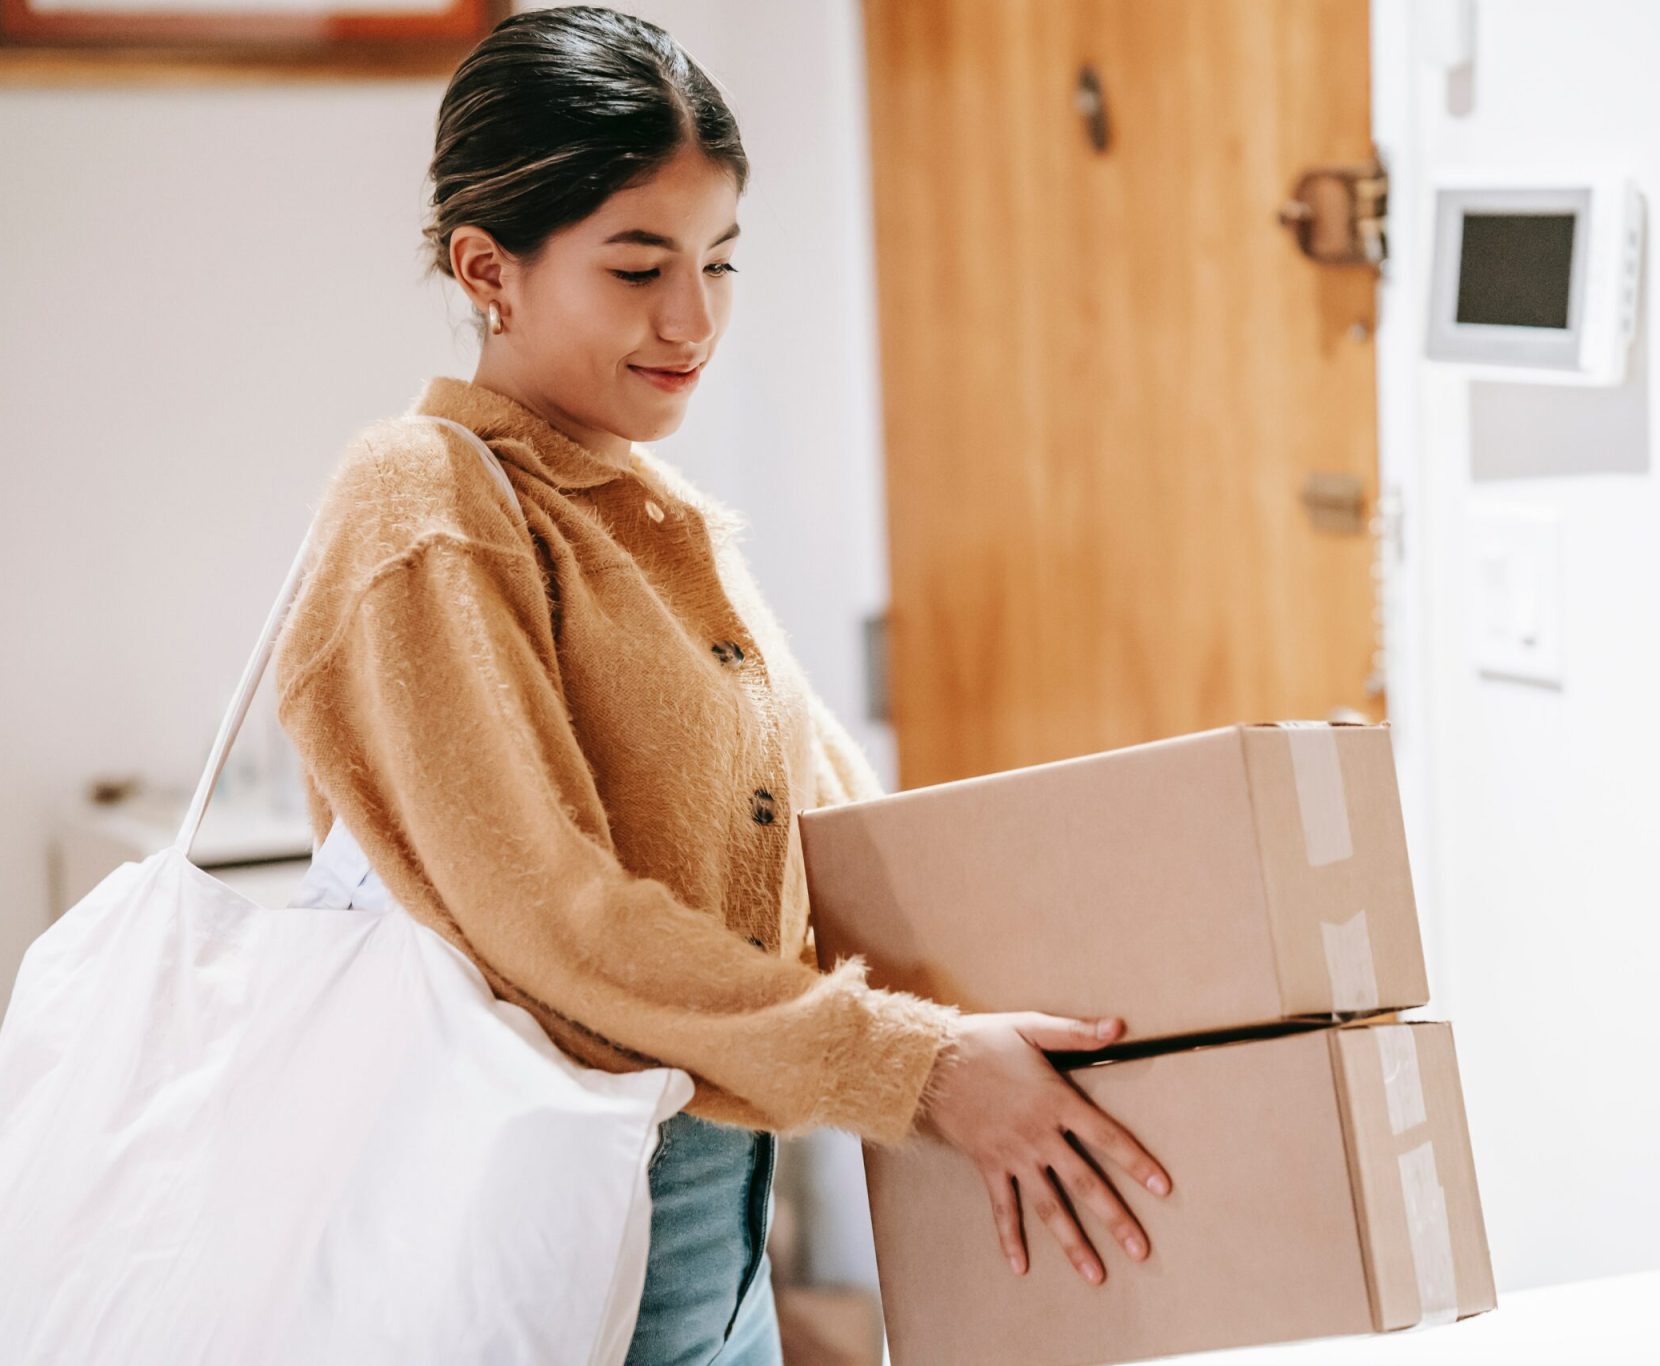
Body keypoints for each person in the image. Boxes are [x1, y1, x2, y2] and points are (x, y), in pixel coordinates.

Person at [272, 8, 1173, 1363]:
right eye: (639, 266)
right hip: (552, 1215)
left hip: (719, 1210)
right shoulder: (422, 500)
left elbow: (840, 831)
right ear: (487, 268)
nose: (692, 317)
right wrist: (919, 1065)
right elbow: (553, 920)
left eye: (720, 259)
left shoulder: (659, 516)